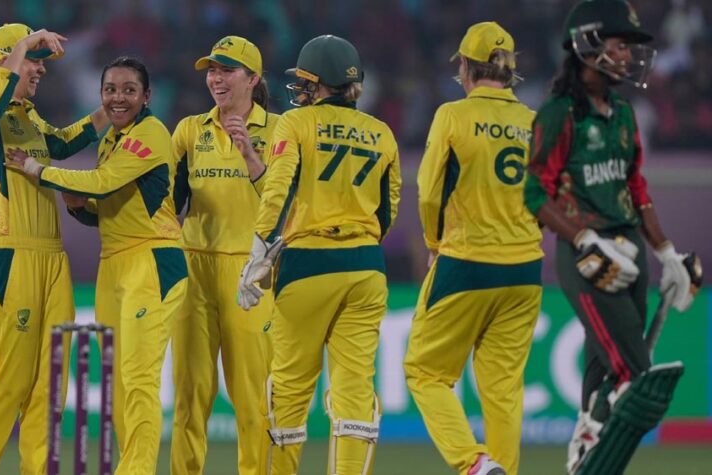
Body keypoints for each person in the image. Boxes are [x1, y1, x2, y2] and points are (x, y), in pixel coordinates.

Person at [523, 1, 703, 474]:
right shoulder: (559, 114)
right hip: (588, 255)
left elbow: (636, 189)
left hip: (631, 248)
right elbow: (535, 193)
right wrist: (583, 238)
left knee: (605, 364)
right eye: (620, 45)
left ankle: (589, 428)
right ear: (588, 45)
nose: (628, 56)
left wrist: (666, 253)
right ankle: (595, 423)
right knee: (636, 374)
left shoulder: (623, 112)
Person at [7, 56, 188, 474]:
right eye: (110, 89)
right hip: (115, 263)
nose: (118, 98)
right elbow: (106, 211)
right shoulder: (111, 141)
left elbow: (103, 183)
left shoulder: (151, 133)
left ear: (147, 96)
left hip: (153, 261)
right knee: (120, 383)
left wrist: (37, 169)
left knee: (138, 379)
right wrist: (77, 208)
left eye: (129, 90)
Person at [237, 34, 401, 475]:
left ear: (319, 83)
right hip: (366, 267)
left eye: (306, 81)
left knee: (289, 391)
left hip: (308, 263)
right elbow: (387, 213)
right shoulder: (382, 133)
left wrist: (259, 252)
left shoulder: (296, 123)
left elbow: (278, 190)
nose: (300, 89)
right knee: (355, 392)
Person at [403, 22, 543, 475]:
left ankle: (473, 463)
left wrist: (433, 243)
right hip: (525, 270)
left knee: (425, 372)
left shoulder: (453, 115)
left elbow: (428, 192)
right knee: (503, 389)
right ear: (510, 70)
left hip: (466, 261)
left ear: (465, 66)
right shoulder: (534, 122)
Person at [0, 23, 107, 473]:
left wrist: (111, 111)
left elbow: (61, 142)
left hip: (52, 259)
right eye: (33, 62)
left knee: (50, 385)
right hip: (11, 256)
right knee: (6, 382)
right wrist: (22, 44)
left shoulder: (27, 117)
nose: (40, 70)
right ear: (5, 61)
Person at [169, 36, 278, 475]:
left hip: (252, 271)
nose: (216, 78)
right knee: (189, 395)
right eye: (211, 70)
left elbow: (289, 207)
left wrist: (251, 156)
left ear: (253, 78)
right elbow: (167, 201)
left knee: (253, 397)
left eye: (227, 70)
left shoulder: (280, 131)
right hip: (194, 266)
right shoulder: (189, 130)